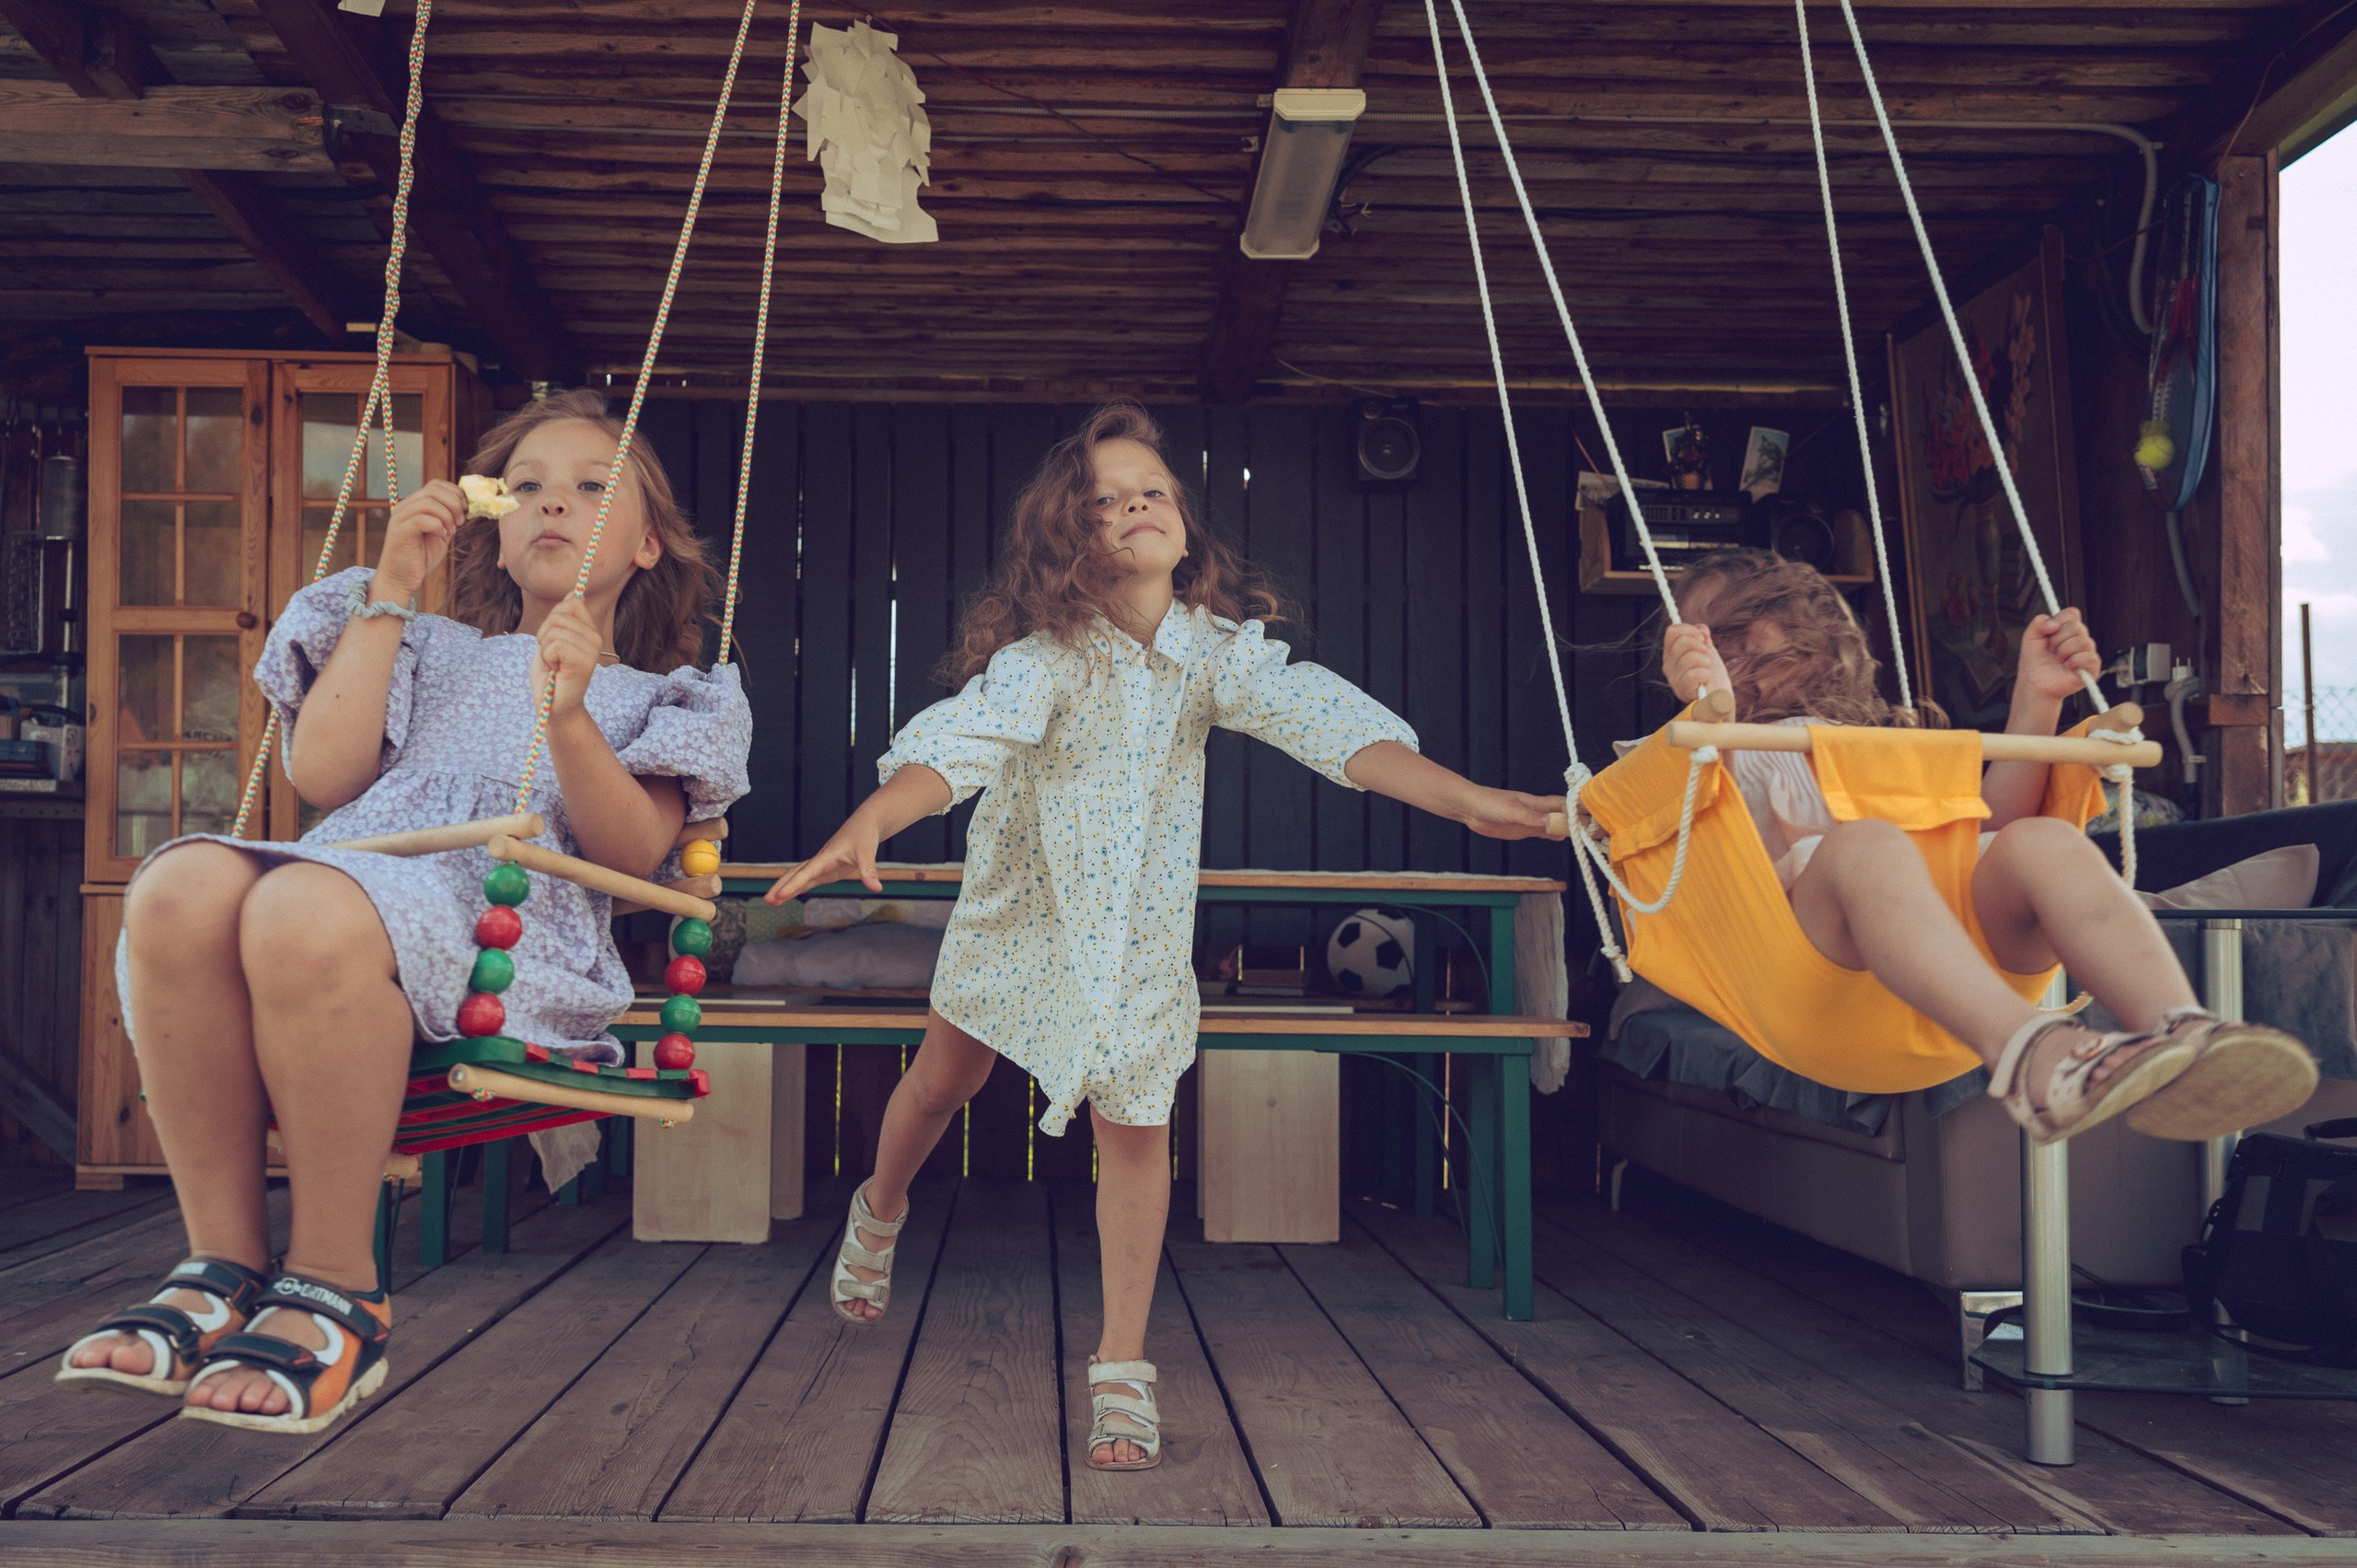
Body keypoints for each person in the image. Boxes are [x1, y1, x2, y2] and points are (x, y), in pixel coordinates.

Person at [764, 403, 1562, 1472]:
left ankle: (1121, 1368)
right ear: (1069, 537)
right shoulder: (1048, 659)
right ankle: (880, 1203)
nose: (1132, 505)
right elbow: (958, 743)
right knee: (942, 1081)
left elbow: (1325, 723)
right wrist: (877, 813)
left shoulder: (1215, 657)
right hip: (1019, 914)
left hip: (1136, 935)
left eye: (1151, 490)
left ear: (1184, 529)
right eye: (1102, 497)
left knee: (1136, 1125)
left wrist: (1468, 802)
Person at [56, 390, 751, 1434]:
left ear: (649, 544)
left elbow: (630, 850)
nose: (553, 502)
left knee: (299, 905)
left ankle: (339, 1281)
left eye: (591, 487)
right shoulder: (428, 645)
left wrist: (564, 712)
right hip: (360, 873)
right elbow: (326, 771)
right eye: (526, 488)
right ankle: (223, 1261)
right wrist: (388, 589)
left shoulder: (665, 697)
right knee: (176, 884)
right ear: (496, 530)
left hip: (505, 940)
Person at [1593, 547, 2315, 1144]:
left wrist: (2039, 698)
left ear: (1807, 626)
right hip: (1818, 980)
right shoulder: (1696, 753)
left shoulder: (1897, 744)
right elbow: (1712, 867)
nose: (1729, 646)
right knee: (1866, 847)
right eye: (1705, 635)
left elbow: (1984, 831)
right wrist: (1704, 717)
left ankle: (2184, 1034)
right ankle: (2029, 1051)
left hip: (1965, 959)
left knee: (2042, 841)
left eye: (1743, 624)